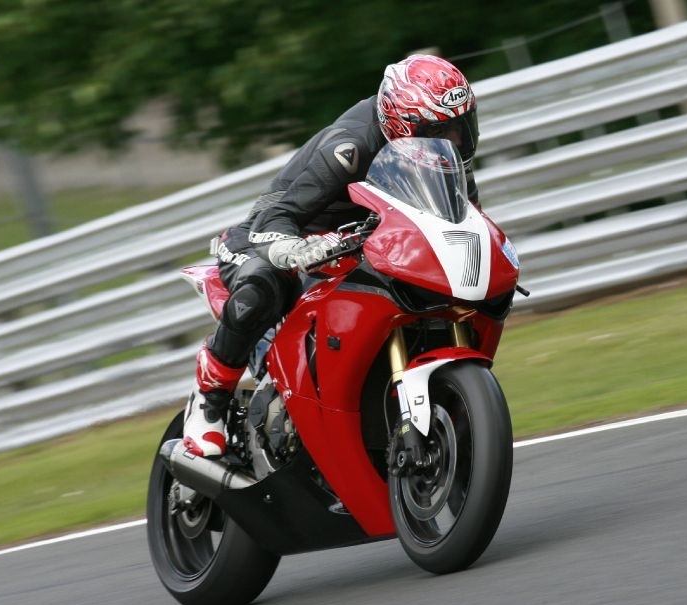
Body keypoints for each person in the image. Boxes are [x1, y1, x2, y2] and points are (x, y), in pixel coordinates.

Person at [183, 54, 482, 458]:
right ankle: (210, 400)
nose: (457, 142)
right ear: (402, 125)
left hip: (357, 241)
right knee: (263, 285)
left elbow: (460, 224)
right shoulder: (350, 147)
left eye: (461, 128)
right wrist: (293, 248)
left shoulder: (443, 162)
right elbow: (277, 215)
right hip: (275, 235)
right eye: (441, 130)